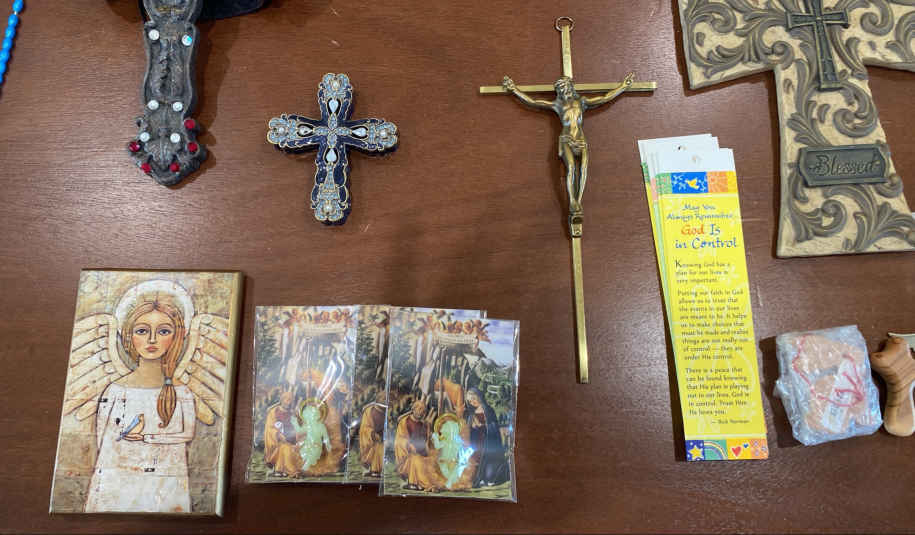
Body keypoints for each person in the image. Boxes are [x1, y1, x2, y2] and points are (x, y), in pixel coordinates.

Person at [86, 300, 195, 513]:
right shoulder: (115, 391)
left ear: (176, 337)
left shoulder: (182, 393)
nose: (152, 339)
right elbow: (103, 441)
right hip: (117, 482)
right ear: (129, 336)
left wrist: (146, 438)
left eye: (163, 331)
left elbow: (187, 434)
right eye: (143, 331)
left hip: (165, 482)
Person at [502, 73, 634, 232]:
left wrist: (623, 87)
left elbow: (604, 98)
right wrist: (514, 90)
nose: (564, 91)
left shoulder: (582, 102)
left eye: (565, 88)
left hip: (581, 140)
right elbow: (534, 102)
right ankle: (572, 201)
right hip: (566, 140)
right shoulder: (558, 105)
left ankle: (579, 201)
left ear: (570, 87)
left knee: (584, 168)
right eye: (561, 89)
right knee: (571, 168)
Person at [464, 387, 508, 487]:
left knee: (489, 472)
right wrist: (473, 427)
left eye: (474, 399)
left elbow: (493, 426)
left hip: (488, 442)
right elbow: (469, 431)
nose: (472, 402)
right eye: (470, 401)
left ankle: (488, 477)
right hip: (477, 443)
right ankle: (479, 478)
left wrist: (483, 426)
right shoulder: (472, 414)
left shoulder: (488, 410)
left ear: (479, 397)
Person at [394, 400, 440, 490]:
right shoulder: (404, 422)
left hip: (423, 455)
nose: (421, 412)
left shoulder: (425, 425)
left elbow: (428, 442)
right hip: (408, 457)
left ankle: (433, 484)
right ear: (413, 409)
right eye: (419, 409)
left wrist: (433, 439)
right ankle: (420, 484)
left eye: (424, 411)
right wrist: (408, 445)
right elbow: (399, 440)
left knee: (434, 461)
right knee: (417, 460)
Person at [263, 391, 303, 477]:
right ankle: (287, 470)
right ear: (282, 400)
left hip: (293, 441)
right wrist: (278, 435)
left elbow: (299, 427)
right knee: (285, 448)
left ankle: (283, 469)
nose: (289, 402)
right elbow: (269, 428)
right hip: (278, 441)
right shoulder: (274, 412)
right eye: (287, 400)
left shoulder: (292, 413)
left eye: (291, 400)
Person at [293, 404, 331, 471]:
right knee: (304, 452)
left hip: (317, 445)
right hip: (307, 444)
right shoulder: (307, 426)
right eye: (308, 417)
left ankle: (304, 468)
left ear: (317, 416)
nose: (310, 419)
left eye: (312, 416)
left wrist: (328, 445)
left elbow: (326, 437)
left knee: (314, 452)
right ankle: (305, 465)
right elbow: (299, 430)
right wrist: (295, 422)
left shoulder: (321, 426)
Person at [358, 391, 386, 477]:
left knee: (381, 446)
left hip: (385, 438)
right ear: (378, 399)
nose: (385, 400)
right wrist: (372, 434)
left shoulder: (389, 410)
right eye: (383, 398)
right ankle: (372, 469)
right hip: (372, 438)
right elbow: (364, 427)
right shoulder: (369, 411)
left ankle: (378, 470)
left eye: (387, 398)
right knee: (376, 446)